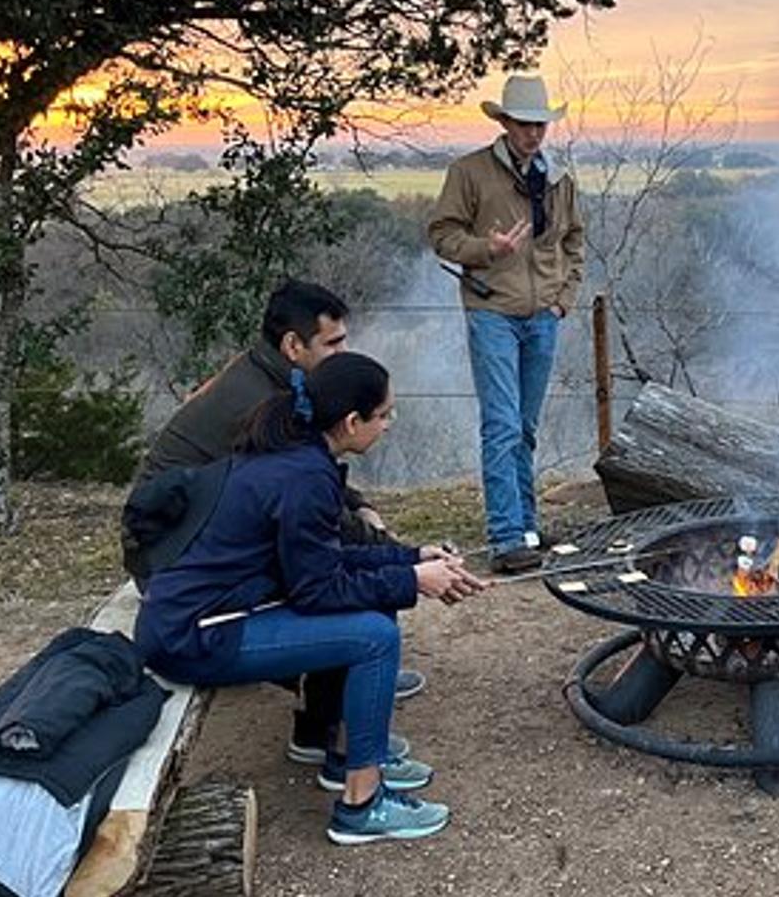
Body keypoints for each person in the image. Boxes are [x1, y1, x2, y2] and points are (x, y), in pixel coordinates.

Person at [134, 353, 486, 844]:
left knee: (374, 604)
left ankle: (345, 755)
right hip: (194, 634)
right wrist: (414, 581)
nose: (387, 425)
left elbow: (325, 560)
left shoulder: (299, 455)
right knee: (374, 637)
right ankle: (362, 804)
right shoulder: (305, 476)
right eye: (383, 415)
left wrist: (410, 559)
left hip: (211, 613)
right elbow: (318, 590)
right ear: (351, 422)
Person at [129, 279, 428, 761]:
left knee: (362, 584)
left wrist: (373, 524)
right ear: (293, 346)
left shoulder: (288, 398)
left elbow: (313, 486)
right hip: (175, 557)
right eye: (332, 343)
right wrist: (398, 560)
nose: (342, 352)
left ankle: (341, 709)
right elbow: (307, 513)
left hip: (201, 558)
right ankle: (339, 732)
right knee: (363, 619)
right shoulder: (263, 407)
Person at [428, 75, 585, 575]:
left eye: (539, 125)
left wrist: (564, 299)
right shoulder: (470, 172)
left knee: (525, 428)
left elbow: (574, 242)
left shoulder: (557, 178)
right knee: (502, 426)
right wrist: (486, 249)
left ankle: (526, 528)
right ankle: (505, 538)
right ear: (504, 123)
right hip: (491, 310)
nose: (533, 134)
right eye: (524, 124)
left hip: (543, 317)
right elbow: (442, 236)